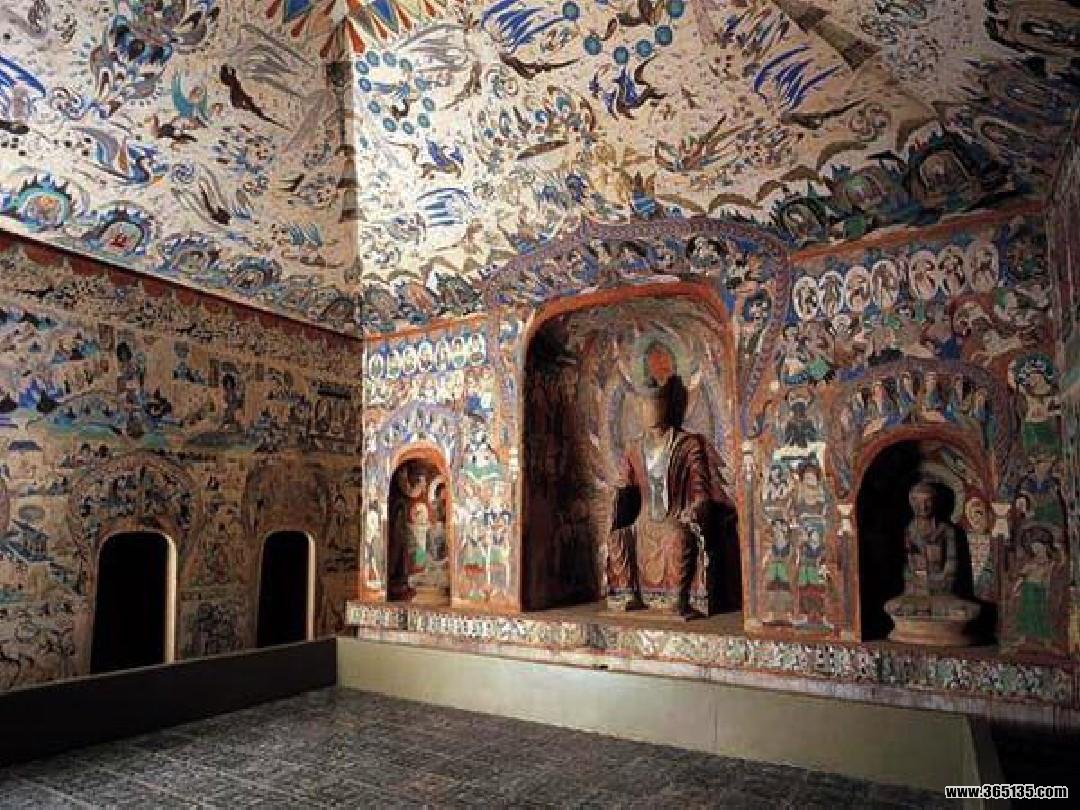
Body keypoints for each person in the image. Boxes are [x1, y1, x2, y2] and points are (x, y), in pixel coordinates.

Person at [608, 376, 725, 618]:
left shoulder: (687, 445)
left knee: (677, 538)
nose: (650, 410)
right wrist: (617, 501)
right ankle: (628, 594)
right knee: (618, 538)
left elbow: (701, 491)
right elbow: (625, 487)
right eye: (644, 404)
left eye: (655, 403)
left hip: (674, 518)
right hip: (643, 524)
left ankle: (676, 599)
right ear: (638, 409)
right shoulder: (633, 448)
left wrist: (694, 510)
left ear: (667, 405)